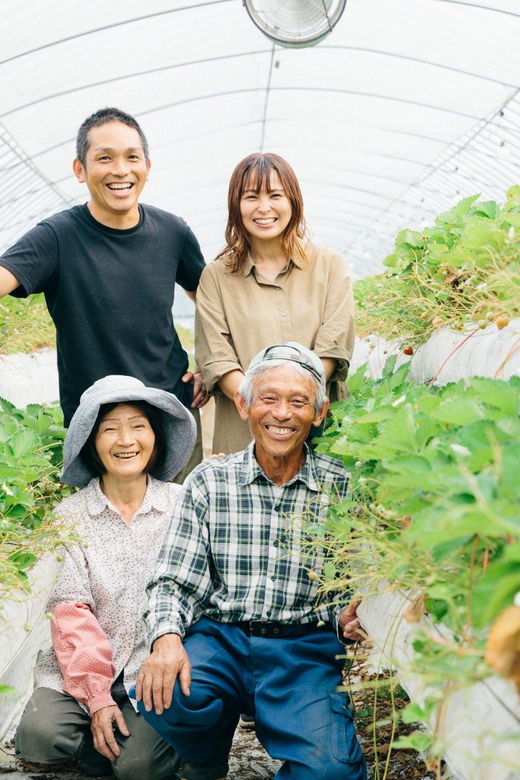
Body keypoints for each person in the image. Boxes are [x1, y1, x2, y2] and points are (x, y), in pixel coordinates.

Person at [134, 343, 367, 780]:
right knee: (164, 694)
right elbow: (173, 580)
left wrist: (352, 617)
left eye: (299, 402)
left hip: (302, 650)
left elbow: (350, 589)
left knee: (332, 773)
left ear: (319, 414)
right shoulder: (210, 481)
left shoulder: (343, 486)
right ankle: (206, 753)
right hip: (221, 639)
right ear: (244, 405)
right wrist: (165, 639)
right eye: (269, 398)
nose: (282, 413)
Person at [0, 107, 207, 478]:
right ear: (80, 169)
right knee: (103, 529)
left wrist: (212, 364)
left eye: (132, 157)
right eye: (104, 158)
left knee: (180, 524)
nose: (121, 170)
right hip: (98, 422)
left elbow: (213, 302)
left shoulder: (173, 232)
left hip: (169, 413)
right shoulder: (57, 236)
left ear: (147, 165)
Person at [15, 374, 196, 780]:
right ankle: (105, 739)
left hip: (152, 672)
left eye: (138, 426)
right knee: (39, 736)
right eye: (109, 429)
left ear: (155, 435)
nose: (125, 440)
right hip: (79, 674)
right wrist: (97, 699)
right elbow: (69, 612)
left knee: (140, 767)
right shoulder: (70, 517)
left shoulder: (183, 504)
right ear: (92, 444)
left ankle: (135, 749)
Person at [195, 152, 355, 455]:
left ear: (293, 201)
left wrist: (293, 405)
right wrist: (264, 407)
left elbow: (333, 346)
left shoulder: (329, 265)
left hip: (318, 432)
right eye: (251, 196)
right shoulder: (216, 276)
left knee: (323, 502)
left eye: (275, 195)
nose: (264, 208)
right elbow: (217, 357)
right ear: (236, 206)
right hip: (244, 436)